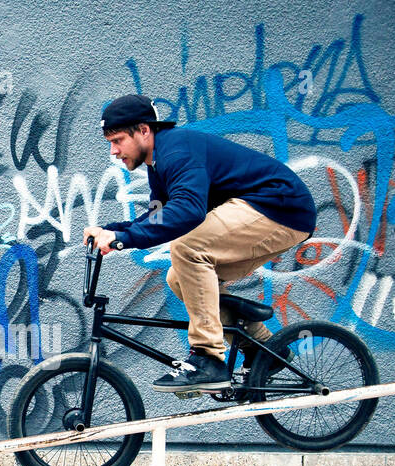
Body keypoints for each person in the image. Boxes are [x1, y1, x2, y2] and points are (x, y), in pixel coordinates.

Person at [82, 94, 316, 392]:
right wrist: (113, 231)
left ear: (144, 130)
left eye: (117, 140)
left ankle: (208, 358)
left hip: (279, 207)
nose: (113, 151)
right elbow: (158, 216)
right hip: (271, 212)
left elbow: (188, 210)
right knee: (178, 277)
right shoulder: (160, 164)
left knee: (189, 247)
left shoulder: (177, 150)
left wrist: (122, 239)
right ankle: (262, 350)